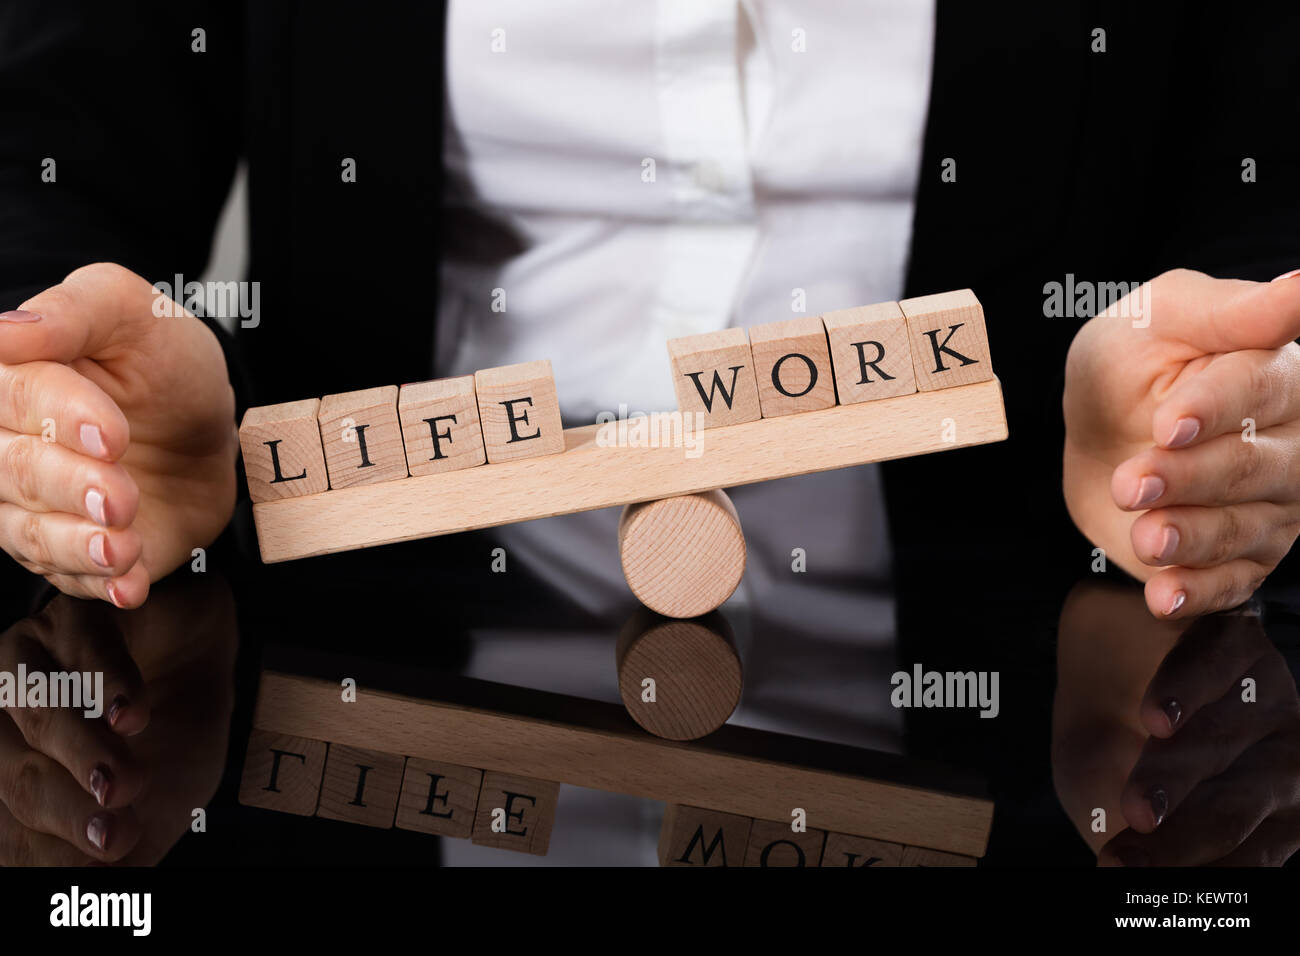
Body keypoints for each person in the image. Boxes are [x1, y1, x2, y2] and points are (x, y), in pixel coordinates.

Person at [1, 0, 1298, 628]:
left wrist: (1207, 385)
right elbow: (47, 156)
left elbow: (1266, 179)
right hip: (365, 606)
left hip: (1022, 611)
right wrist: (90, 405)